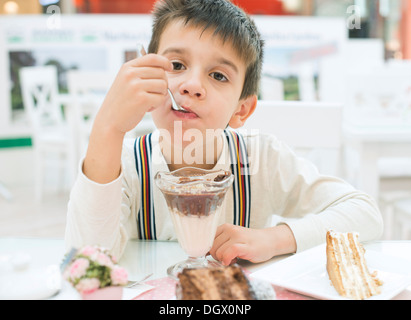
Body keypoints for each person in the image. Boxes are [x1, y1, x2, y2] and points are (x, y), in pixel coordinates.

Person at [65, 0, 383, 265]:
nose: (192, 84)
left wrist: (275, 238)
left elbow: (365, 214)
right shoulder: (124, 165)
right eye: (176, 65)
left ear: (241, 110)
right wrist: (107, 128)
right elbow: (90, 261)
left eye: (218, 75)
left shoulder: (262, 160)